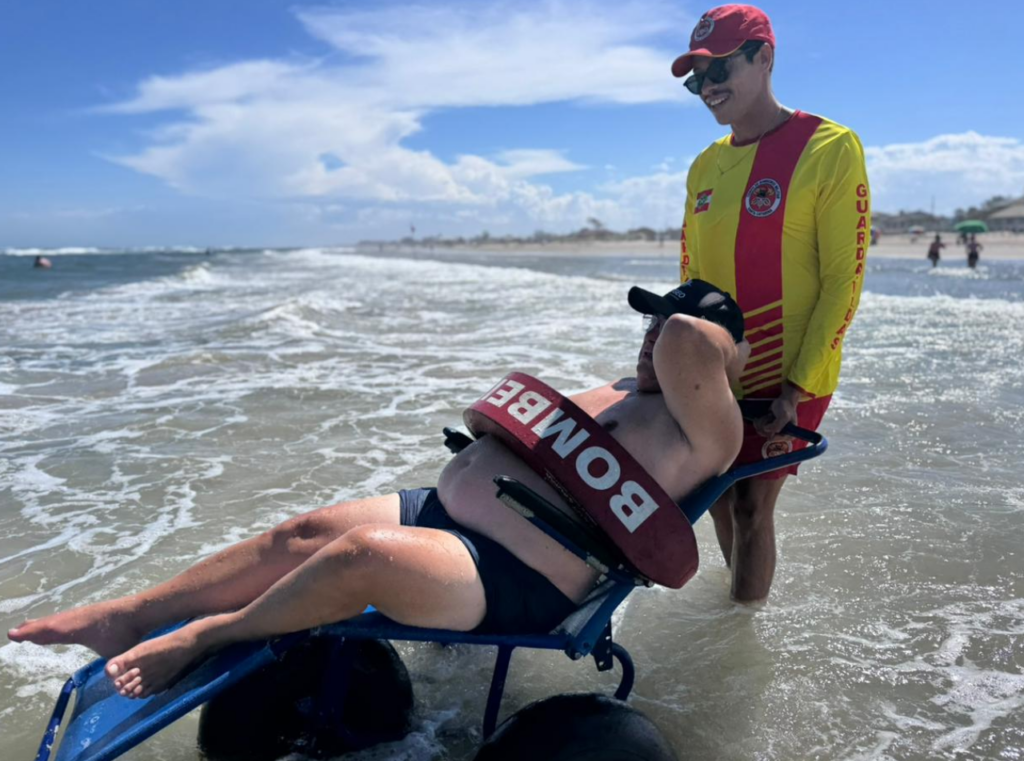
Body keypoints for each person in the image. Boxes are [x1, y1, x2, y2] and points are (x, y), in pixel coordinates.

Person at [8, 281, 750, 699]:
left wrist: (716, 331)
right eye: (646, 321)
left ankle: (209, 633)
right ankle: (132, 614)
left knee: (363, 556)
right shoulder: (622, 387)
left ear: (719, 357)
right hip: (449, 513)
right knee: (299, 534)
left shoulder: (708, 433)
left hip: (521, 575)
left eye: (667, 324)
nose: (653, 335)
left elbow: (693, 340)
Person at [671, 4, 870, 603]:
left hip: (790, 369)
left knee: (755, 503)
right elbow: (689, 275)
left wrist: (797, 385)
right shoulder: (705, 165)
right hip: (719, 368)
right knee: (719, 503)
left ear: (765, 57)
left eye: (719, 69)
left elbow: (844, 279)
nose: (708, 88)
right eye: (696, 78)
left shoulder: (829, 147)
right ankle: (737, 614)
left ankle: (740, 659)